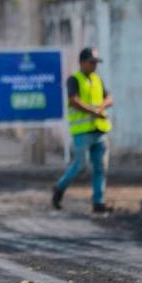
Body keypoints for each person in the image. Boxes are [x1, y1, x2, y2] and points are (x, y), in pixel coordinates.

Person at [52, 47, 113, 213]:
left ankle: (98, 202)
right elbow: (74, 101)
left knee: (100, 167)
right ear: (82, 62)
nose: (94, 66)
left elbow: (109, 98)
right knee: (80, 165)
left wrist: (101, 107)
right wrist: (94, 111)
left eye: (96, 63)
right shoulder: (74, 79)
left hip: (100, 130)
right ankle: (59, 188)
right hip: (82, 132)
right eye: (91, 62)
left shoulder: (97, 80)